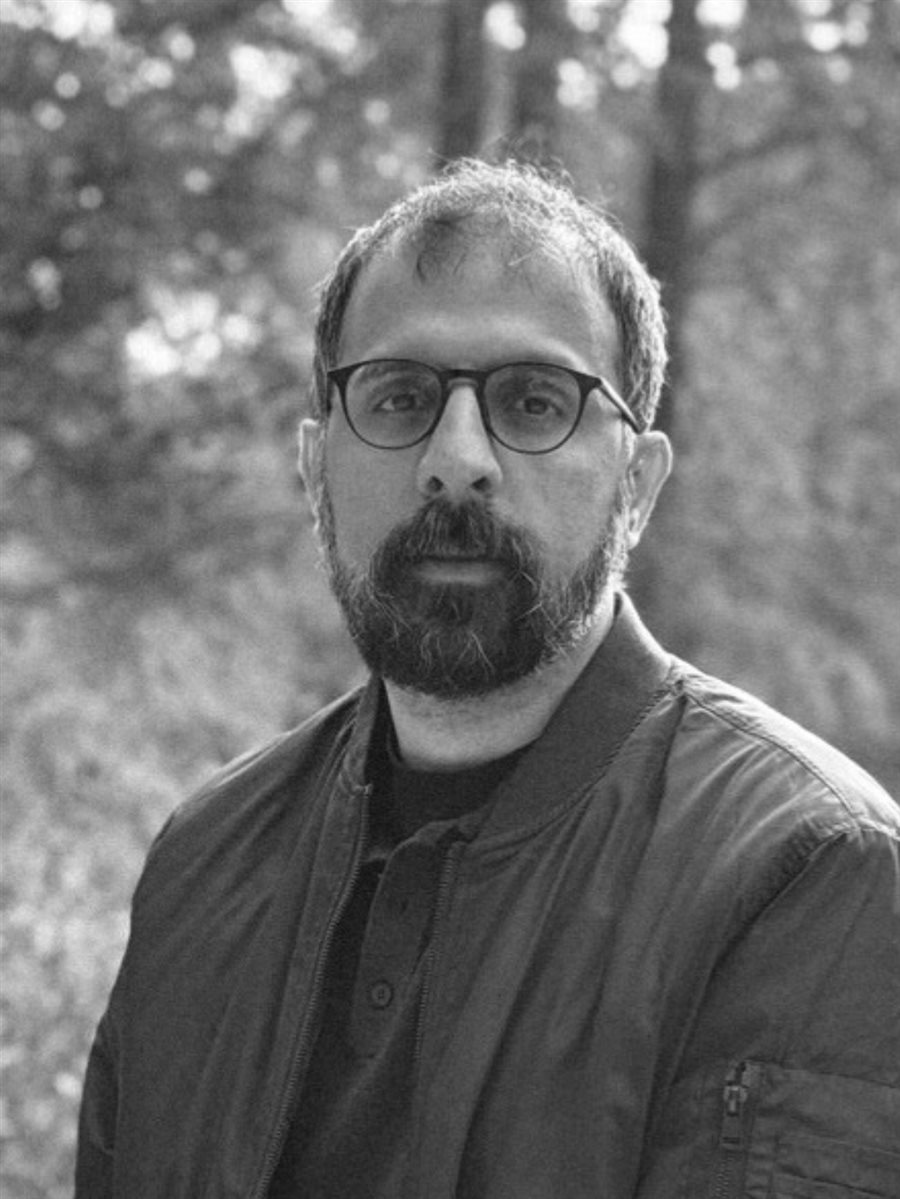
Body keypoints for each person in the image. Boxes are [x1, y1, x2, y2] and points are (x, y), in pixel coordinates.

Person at [75, 159, 900, 1198]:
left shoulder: (805, 873)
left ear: (637, 485)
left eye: (534, 401)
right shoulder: (205, 860)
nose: (457, 457)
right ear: (316, 469)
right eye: (400, 396)